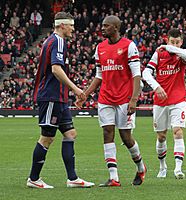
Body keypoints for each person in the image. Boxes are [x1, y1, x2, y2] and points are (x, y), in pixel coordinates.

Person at [75, 15, 146, 187]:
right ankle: (114, 177)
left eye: (106, 26)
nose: (103, 29)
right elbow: (99, 75)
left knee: (126, 136)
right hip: (106, 97)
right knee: (107, 132)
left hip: (124, 97)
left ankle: (141, 167)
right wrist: (85, 94)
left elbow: (137, 75)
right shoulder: (100, 48)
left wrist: (134, 99)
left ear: (115, 27)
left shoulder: (129, 46)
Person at [27, 12, 94, 189]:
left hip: (59, 98)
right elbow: (56, 69)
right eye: (71, 25)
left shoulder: (51, 41)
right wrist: (76, 89)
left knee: (70, 134)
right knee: (47, 138)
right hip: (51, 97)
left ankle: (72, 178)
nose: (73, 28)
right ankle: (33, 178)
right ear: (62, 25)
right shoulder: (57, 41)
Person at [142, 28, 186, 179]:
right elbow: (146, 73)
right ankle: (162, 166)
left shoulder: (181, 55)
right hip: (161, 101)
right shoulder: (159, 54)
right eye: (172, 42)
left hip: (178, 99)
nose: (175, 45)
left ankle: (178, 168)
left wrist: (169, 48)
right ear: (167, 40)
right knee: (161, 136)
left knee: (178, 131)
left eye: (178, 42)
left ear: (181, 42)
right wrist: (156, 87)